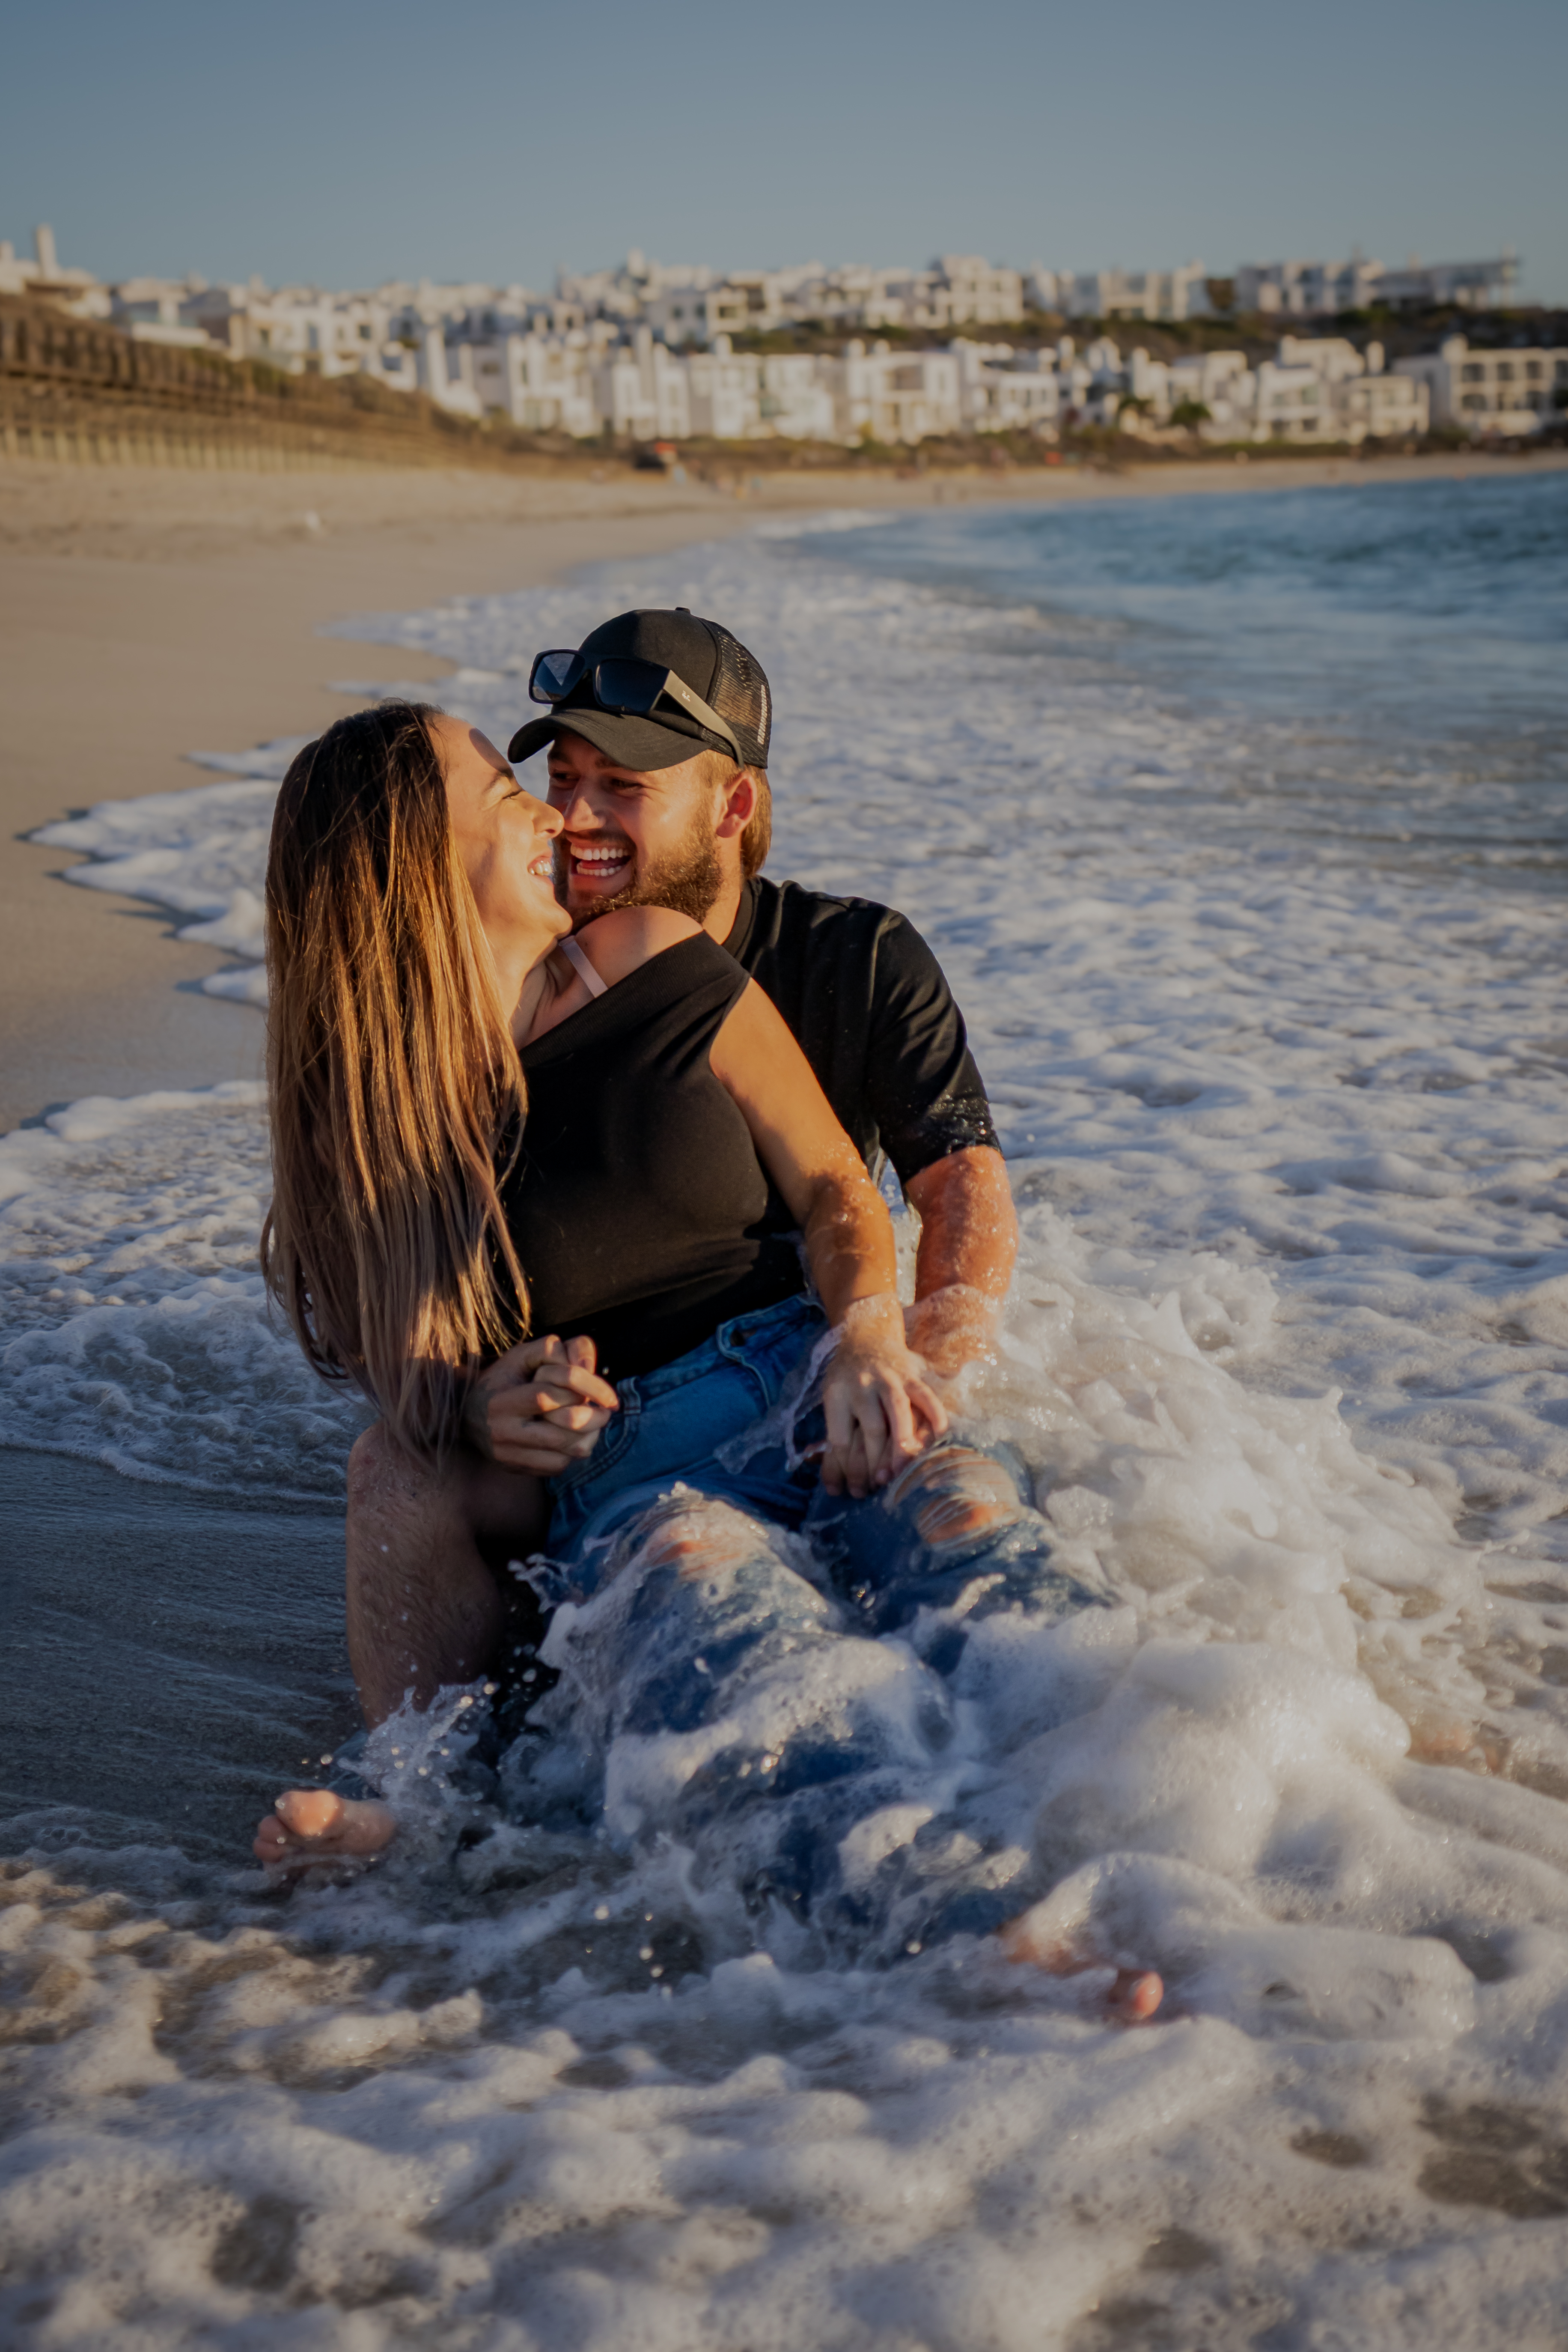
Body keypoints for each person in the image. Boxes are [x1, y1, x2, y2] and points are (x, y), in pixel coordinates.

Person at [252, 655, 1160, 2018]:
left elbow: (838, 1189)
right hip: (639, 1479)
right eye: (518, 792)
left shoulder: (654, 959)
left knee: (974, 1531)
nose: (557, 817)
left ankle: (1246, 1811)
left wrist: (869, 1333)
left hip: (810, 1386)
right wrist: (493, 1403)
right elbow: (424, 1409)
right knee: (730, 1635)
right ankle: (963, 1935)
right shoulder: (385, 1130)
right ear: (417, 876)